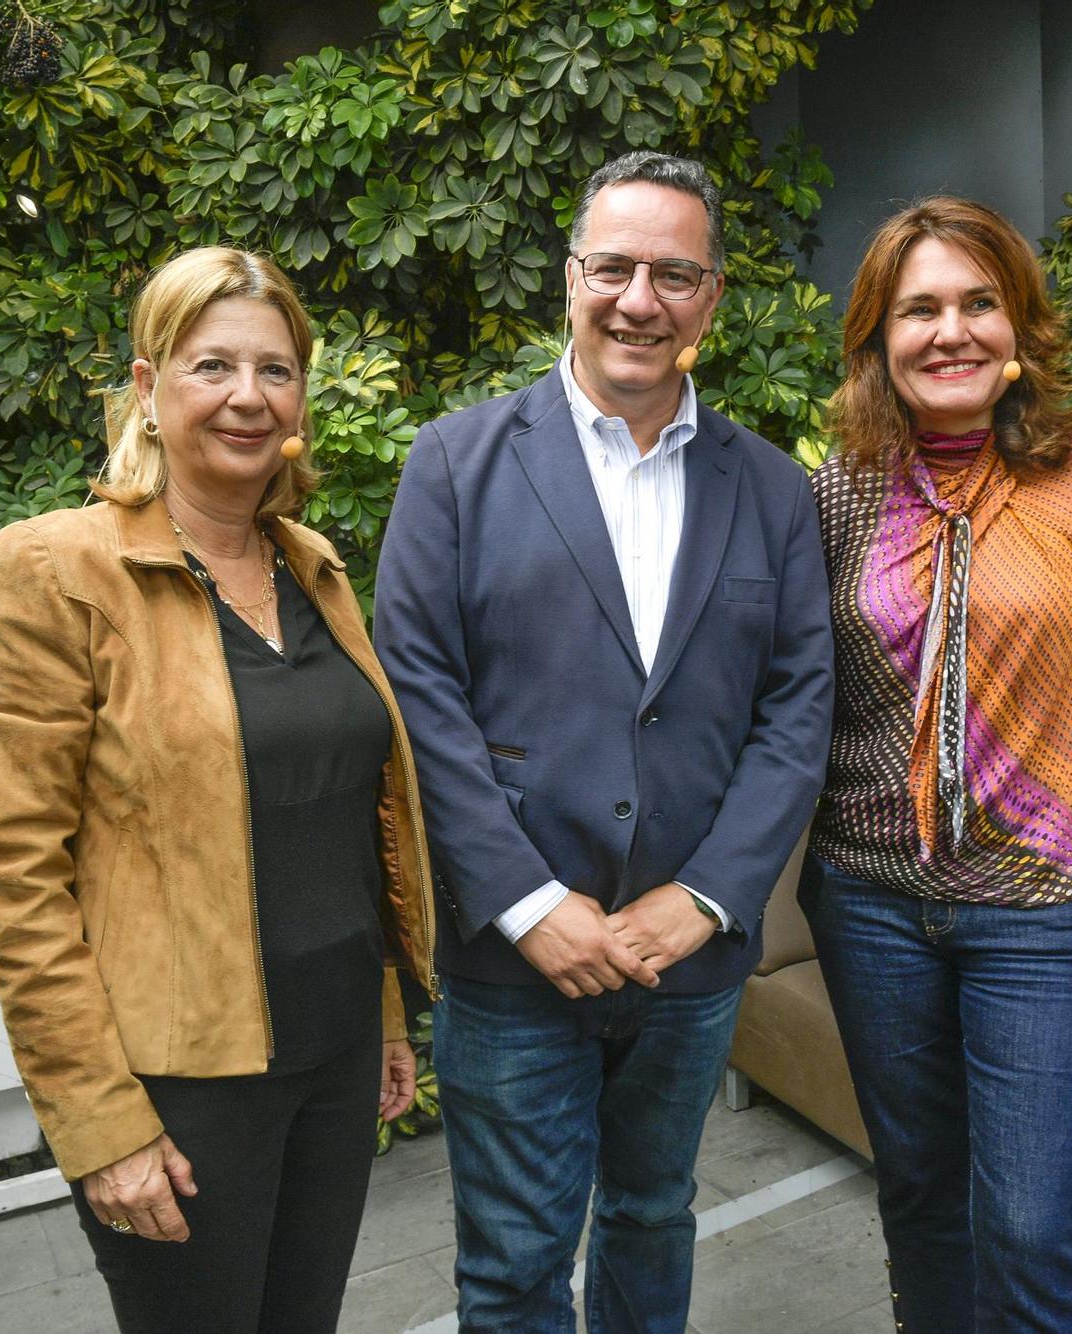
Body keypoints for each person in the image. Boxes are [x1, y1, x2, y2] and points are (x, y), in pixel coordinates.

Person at [373, 151, 834, 1332]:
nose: (640, 298)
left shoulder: (773, 490)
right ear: (567, 277)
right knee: (516, 1264)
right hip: (515, 960)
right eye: (613, 265)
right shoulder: (455, 464)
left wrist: (712, 896)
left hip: (689, 957)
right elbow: (418, 696)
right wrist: (529, 902)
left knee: (649, 1217)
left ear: (712, 298)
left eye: (674, 273)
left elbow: (795, 709)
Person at [0, 246, 437, 1334]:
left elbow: (346, 819)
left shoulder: (310, 563)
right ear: (147, 385)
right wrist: (97, 1120)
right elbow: (15, 879)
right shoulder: (51, 573)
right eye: (211, 364)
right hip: (176, 1080)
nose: (247, 397)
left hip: (333, 1048)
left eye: (275, 369)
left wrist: (384, 1011)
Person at [803, 198, 1072, 1332]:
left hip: (1043, 911)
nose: (950, 331)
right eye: (918, 307)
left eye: (978, 302)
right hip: (868, 902)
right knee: (921, 1197)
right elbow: (787, 696)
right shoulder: (838, 490)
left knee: (1028, 1223)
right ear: (878, 336)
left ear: (1018, 325)